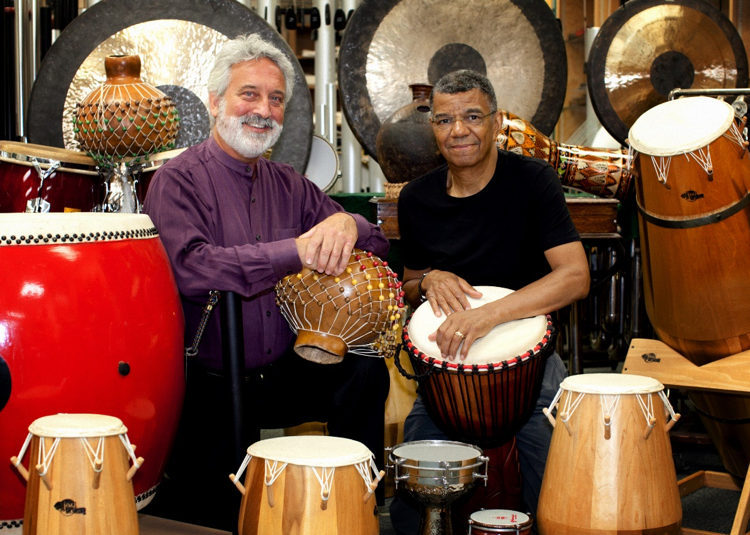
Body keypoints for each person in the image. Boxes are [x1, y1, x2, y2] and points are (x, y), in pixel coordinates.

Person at [144, 34, 390, 530]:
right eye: (249, 94)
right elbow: (193, 268)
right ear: (216, 103)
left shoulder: (291, 185)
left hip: (284, 372)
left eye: (276, 99)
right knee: (213, 517)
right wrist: (293, 251)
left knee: (365, 373)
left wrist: (351, 224)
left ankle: (352, 502)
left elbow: (379, 245)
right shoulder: (177, 180)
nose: (264, 109)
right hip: (208, 386)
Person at [389, 70, 590, 533]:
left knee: (562, 485)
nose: (459, 131)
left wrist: (488, 315)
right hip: (446, 371)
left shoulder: (533, 182)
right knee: (412, 486)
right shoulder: (418, 199)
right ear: (433, 128)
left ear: (496, 122)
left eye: (473, 116)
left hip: (531, 366)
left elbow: (575, 276)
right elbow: (410, 284)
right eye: (444, 120)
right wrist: (430, 278)